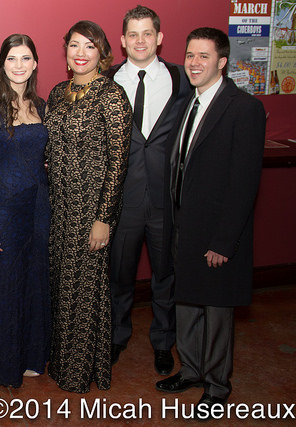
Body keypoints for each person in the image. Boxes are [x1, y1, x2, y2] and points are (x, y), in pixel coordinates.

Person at [155, 27, 265, 418]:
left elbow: (244, 183)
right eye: (190, 55)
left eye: (204, 56)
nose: (194, 63)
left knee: (216, 309)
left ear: (222, 61)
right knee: (186, 303)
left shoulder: (244, 109)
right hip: (184, 225)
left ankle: (218, 384)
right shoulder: (188, 102)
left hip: (217, 233)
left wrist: (224, 241)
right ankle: (192, 370)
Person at [45, 21, 131, 393]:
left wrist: (104, 219)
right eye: (74, 45)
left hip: (91, 208)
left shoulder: (112, 96)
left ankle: (80, 371)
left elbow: (118, 162)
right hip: (60, 206)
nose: (80, 53)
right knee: (62, 284)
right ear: (65, 50)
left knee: (87, 288)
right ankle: (60, 361)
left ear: (102, 52)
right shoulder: (57, 93)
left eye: (89, 46)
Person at [105, 5, 191, 374]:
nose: (140, 40)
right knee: (118, 276)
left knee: (165, 277)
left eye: (147, 33)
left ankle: (163, 342)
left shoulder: (182, 78)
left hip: (165, 201)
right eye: (133, 34)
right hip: (122, 200)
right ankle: (116, 337)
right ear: (122, 40)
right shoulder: (105, 82)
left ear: (159, 37)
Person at [0, 34, 51, 388]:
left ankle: (32, 355)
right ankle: (4, 363)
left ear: (35, 63)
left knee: (35, 280)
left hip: (39, 208)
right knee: (6, 283)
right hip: (4, 209)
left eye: (25, 58)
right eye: (11, 59)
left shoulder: (42, 106)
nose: (18, 66)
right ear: (1, 65)